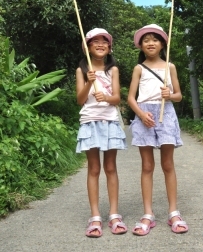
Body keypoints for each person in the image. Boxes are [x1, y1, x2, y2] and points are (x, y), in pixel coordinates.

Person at [128, 24, 188, 236]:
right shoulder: (139, 68)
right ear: (141, 46)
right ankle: (147, 213)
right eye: (146, 40)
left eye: (155, 39)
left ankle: (173, 211)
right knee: (146, 165)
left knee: (168, 164)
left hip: (166, 113)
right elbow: (130, 98)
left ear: (163, 44)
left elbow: (179, 95)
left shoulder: (169, 67)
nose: (150, 43)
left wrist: (169, 95)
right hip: (145, 114)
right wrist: (141, 115)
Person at [76, 28, 127, 238]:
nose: (99, 44)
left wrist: (105, 97)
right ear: (87, 47)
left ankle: (114, 214)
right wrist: (89, 82)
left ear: (109, 47)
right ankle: (95, 216)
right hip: (89, 121)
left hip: (110, 121)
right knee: (94, 169)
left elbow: (117, 98)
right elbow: (80, 100)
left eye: (103, 42)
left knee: (110, 167)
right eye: (94, 41)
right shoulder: (82, 70)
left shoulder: (112, 69)